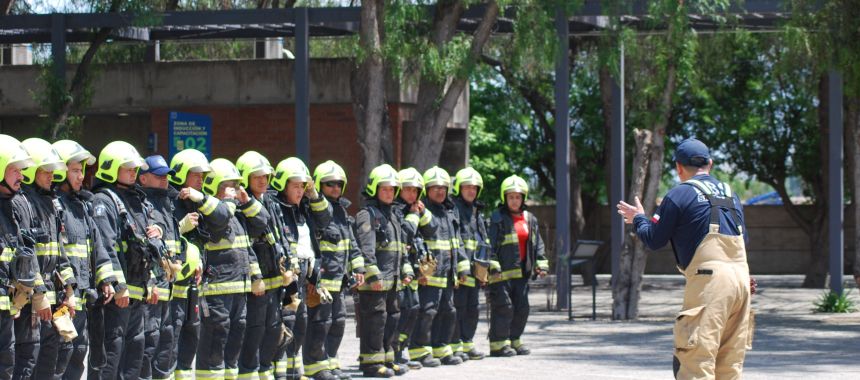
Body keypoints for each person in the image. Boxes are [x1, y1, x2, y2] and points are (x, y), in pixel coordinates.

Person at [616, 138, 754, 380]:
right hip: (741, 280)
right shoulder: (731, 195)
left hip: (711, 283)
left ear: (679, 168)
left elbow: (655, 239)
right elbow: (744, 240)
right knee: (729, 365)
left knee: (695, 361)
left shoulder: (680, 193)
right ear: (710, 164)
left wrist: (638, 219)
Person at [189, 158, 267, 379]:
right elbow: (219, 218)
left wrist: (246, 200)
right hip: (216, 291)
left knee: (235, 340)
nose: (234, 191)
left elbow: (262, 222)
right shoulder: (210, 211)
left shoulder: (236, 215)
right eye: (228, 186)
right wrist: (230, 203)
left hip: (238, 291)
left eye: (236, 185)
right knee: (215, 342)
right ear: (214, 186)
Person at [90, 141, 160, 379]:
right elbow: (106, 246)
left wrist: (151, 281)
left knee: (134, 355)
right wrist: (119, 287)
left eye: (135, 168)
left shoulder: (136, 200)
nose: (134, 172)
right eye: (128, 167)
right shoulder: (103, 201)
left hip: (138, 294)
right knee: (112, 355)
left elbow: (143, 246)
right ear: (111, 168)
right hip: (117, 299)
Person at [51, 140, 117, 380]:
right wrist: (68, 290)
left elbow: (96, 247)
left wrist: (106, 280)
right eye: (75, 171)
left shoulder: (82, 206)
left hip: (84, 299)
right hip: (63, 300)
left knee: (79, 355)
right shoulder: (55, 206)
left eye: (82, 171)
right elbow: (59, 253)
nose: (81, 176)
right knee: (61, 358)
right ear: (60, 171)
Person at [18, 138, 78, 379]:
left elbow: (60, 254)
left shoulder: (51, 204)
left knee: (57, 354)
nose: (52, 175)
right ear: (32, 171)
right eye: (46, 170)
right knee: (30, 362)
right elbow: (27, 256)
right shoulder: (23, 204)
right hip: (32, 302)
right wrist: (39, 295)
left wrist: (70, 290)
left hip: (53, 302)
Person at [270, 157, 331, 380]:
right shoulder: (276, 207)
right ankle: (279, 374)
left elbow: (326, 219)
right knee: (285, 325)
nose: (299, 190)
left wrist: (314, 194)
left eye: (302, 185)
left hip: (305, 276)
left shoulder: (305, 208)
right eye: (295, 185)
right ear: (283, 185)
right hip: (286, 278)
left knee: (300, 324)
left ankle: (294, 373)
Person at [236, 151, 294, 380]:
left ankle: (264, 369)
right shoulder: (241, 204)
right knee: (255, 327)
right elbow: (250, 237)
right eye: (257, 176)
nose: (263, 181)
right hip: (257, 278)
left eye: (266, 176)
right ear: (245, 177)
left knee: (273, 326)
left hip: (275, 275)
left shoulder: (270, 200)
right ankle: (249, 371)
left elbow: (280, 234)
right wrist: (254, 275)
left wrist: (289, 263)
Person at [305, 160, 365, 380]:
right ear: (319, 185)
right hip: (320, 281)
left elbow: (353, 244)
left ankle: (331, 362)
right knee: (319, 324)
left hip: (339, 282)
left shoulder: (342, 211)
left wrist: (358, 267)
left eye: (339, 184)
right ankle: (316, 367)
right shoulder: (314, 209)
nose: (335, 188)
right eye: (329, 184)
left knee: (338, 323)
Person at [354, 164, 416, 378]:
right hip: (376, 283)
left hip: (394, 280)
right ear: (374, 190)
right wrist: (374, 275)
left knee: (392, 318)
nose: (389, 193)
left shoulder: (394, 216)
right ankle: (371, 364)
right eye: (385, 189)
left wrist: (406, 270)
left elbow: (402, 249)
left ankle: (387, 358)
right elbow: (366, 249)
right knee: (375, 320)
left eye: (392, 189)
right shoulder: (367, 215)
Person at [409, 166, 469, 367]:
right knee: (427, 312)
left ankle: (442, 349)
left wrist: (463, 267)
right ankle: (419, 351)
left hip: (448, 273)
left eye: (443, 187)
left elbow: (457, 242)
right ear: (426, 189)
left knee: (448, 312)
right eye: (435, 187)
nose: (440, 191)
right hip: (430, 274)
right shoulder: (421, 209)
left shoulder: (450, 211)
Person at [486, 174, 548, 357]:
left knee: (522, 307)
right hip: (501, 275)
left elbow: (538, 244)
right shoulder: (497, 217)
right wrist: (493, 266)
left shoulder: (530, 219)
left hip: (522, 273)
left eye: (518, 196)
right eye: (511, 196)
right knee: (504, 307)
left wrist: (541, 263)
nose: (514, 200)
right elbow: (490, 244)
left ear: (523, 198)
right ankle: (498, 344)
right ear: (504, 198)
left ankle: (515, 340)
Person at [137, 155, 182, 380]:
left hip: (169, 290)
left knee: (167, 345)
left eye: (167, 176)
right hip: (152, 292)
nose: (165, 180)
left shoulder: (167, 203)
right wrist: (151, 283)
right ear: (143, 179)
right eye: (159, 176)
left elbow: (174, 245)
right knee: (149, 344)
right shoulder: (143, 204)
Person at [168, 148, 211, 380]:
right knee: (173, 336)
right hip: (174, 287)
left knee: (191, 335)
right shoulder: (169, 201)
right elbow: (163, 237)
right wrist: (180, 227)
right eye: (196, 174)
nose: (200, 179)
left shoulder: (195, 201)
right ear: (181, 174)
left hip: (193, 284)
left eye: (202, 175)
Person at [0, 134, 35, 379]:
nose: (21, 176)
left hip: (6, 307)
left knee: (7, 364)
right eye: (14, 170)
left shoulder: (12, 207)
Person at [392, 168, 435, 370]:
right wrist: (414, 215)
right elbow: (407, 233)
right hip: (399, 269)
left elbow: (432, 228)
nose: (411, 194)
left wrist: (423, 212)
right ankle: (394, 351)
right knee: (400, 310)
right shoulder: (396, 209)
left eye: (415, 190)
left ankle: (401, 348)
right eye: (407, 189)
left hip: (413, 270)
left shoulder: (415, 209)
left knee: (413, 309)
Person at [450, 167, 488, 361]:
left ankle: (467, 343)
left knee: (473, 308)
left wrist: (486, 267)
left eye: (474, 188)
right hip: (460, 269)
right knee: (459, 307)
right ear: (459, 188)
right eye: (467, 187)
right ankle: (455, 345)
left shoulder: (476, 211)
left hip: (475, 269)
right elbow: (455, 240)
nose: (471, 191)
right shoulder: (454, 209)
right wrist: (461, 266)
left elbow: (483, 240)